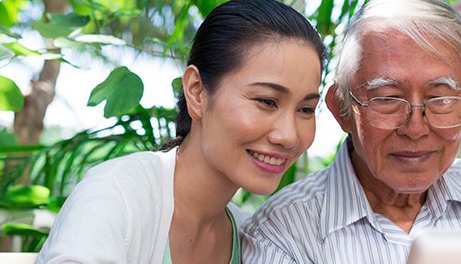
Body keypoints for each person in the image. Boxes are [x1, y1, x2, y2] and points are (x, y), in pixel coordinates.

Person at [241, 0, 461, 263]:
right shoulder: (284, 234)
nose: (415, 128)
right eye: (387, 99)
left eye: (441, 99)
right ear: (342, 109)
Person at [35, 0, 326, 263]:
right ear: (197, 92)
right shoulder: (118, 195)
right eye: (266, 101)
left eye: (306, 109)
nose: (288, 135)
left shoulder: (252, 239)